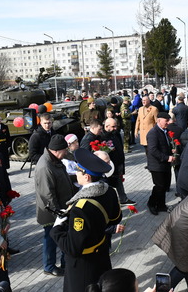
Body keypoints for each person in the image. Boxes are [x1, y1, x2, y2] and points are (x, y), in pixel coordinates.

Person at [50, 148, 122, 292]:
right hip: (101, 254)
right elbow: (116, 218)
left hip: (84, 267)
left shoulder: (80, 208)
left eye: (78, 170)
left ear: (86, 176)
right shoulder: (109, 190)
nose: (76, 173)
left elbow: (72, 248)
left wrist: (56, 228)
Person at [35, 135, 76, 276]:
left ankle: (66, 263)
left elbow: (62, 178)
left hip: (62, 208)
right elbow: (48, 195)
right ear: (57, 150)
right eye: (65, 150)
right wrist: (59, 214)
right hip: (51, 213)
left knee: (63, 236)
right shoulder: (45, 167)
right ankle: (49, 266)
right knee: (50, 239)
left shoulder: (55, 160)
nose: (67, 152)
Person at [100, 118, 135, 205]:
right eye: (113, 126)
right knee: (109, 184)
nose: (115, 128)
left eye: (116, 126)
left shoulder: (116, 133)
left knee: (119, 181)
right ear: (106, 126)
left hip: (118, 162)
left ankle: (123, 198)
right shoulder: (103, 136)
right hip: (110, 165)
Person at [146, 112, 175, 215]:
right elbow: (153, 150)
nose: (168, 123)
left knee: (165, 185)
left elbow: (165, 145)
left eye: (169, 120)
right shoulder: (153, 133)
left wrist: (171, 150)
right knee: (159, 186)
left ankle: (161, 205)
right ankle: (152, 204)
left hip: (165, 164)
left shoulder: (165, 131)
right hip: (157, 165)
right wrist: (166, 157)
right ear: (159, 120)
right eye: (166, 121)